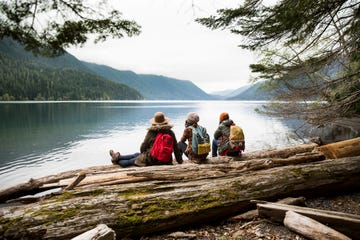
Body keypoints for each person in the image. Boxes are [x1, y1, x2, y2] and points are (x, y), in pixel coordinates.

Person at [109, 112, 183, 167]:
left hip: (151, 160)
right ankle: (118, 157)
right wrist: (180, 161)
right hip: (166, 161)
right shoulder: (170, 132)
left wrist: (144, 153)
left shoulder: (151, 132)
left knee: (129, 162)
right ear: (165, 122)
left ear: (155, 122)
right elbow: (176, 149)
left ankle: (116, 160)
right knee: (136, 154)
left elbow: (143, 147)